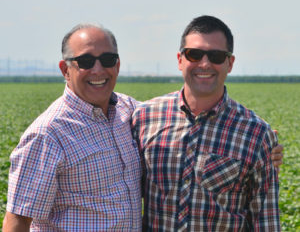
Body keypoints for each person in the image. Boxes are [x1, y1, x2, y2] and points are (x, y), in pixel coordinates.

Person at [132, 15, 281, 231]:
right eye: (194, 54)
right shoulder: (144, 117)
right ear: (180, 60)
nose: (204, 64)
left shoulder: (255, 133)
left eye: (216, 56)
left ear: (230, 63)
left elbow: (265, 221)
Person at [3, 24, 142, 231]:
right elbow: (18, 221)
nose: (98, 70)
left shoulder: (128, 110)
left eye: (107, 60)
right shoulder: (48, 133)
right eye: (85, 61)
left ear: (118, 65)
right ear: (65, 69)